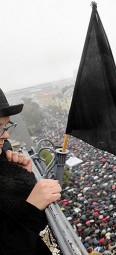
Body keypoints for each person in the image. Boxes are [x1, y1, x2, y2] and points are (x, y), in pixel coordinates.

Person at [0, 88, 62, 255]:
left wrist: (20, 177)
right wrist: (31, 209)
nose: (5, 135)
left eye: (6, 126)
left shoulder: (5, 159)